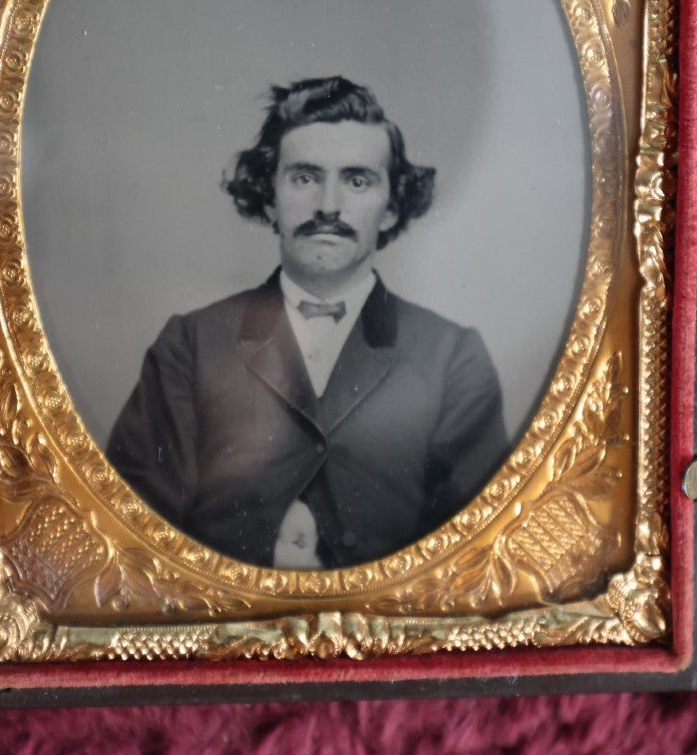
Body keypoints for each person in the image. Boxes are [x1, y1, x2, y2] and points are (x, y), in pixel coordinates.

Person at [107, 77, 507, 569]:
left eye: (357, 180)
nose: (328, 207)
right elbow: (131, 544)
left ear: (392, 207)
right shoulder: (189, 346)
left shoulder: (453, 358)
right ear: (269, 196)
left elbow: (474, 562)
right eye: (304, 177)